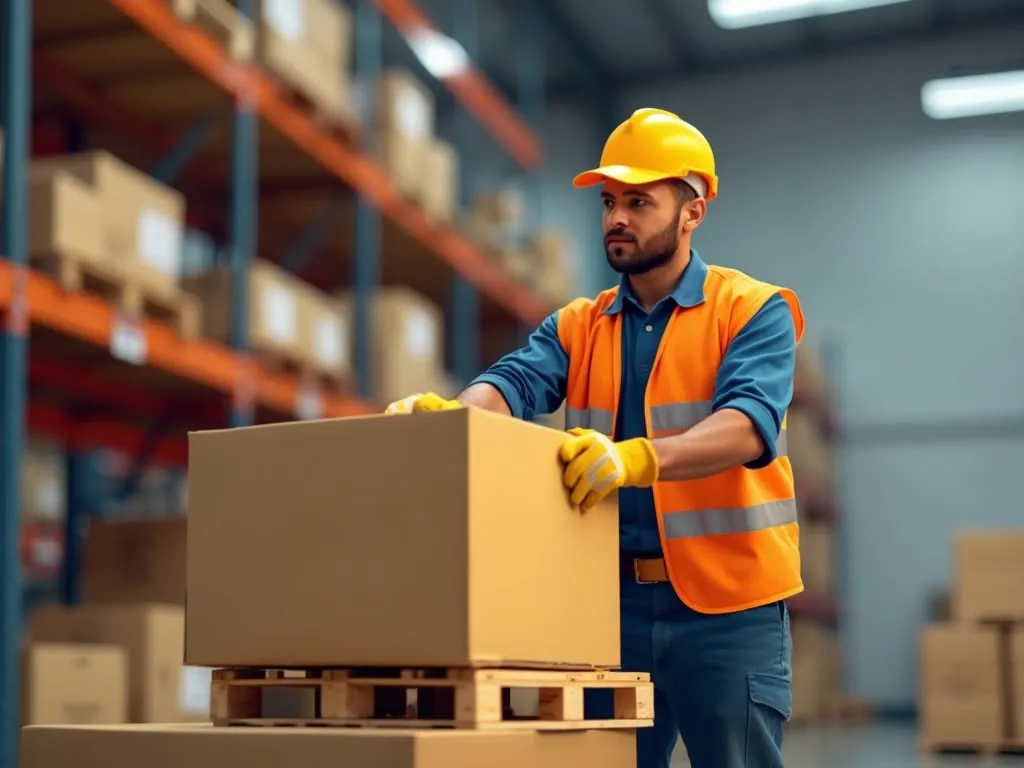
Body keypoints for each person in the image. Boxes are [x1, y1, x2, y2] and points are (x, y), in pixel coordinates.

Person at [385, 107, 805, 768]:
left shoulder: (752, 309)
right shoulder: (579, 325)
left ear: (693, 211)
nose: (617, 217)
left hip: (728, 610)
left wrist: (638, 459)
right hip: (607, 608)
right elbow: (512, 385)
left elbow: (747, 423)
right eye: (610, 201)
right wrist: (458, 416)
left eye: (640, 201)